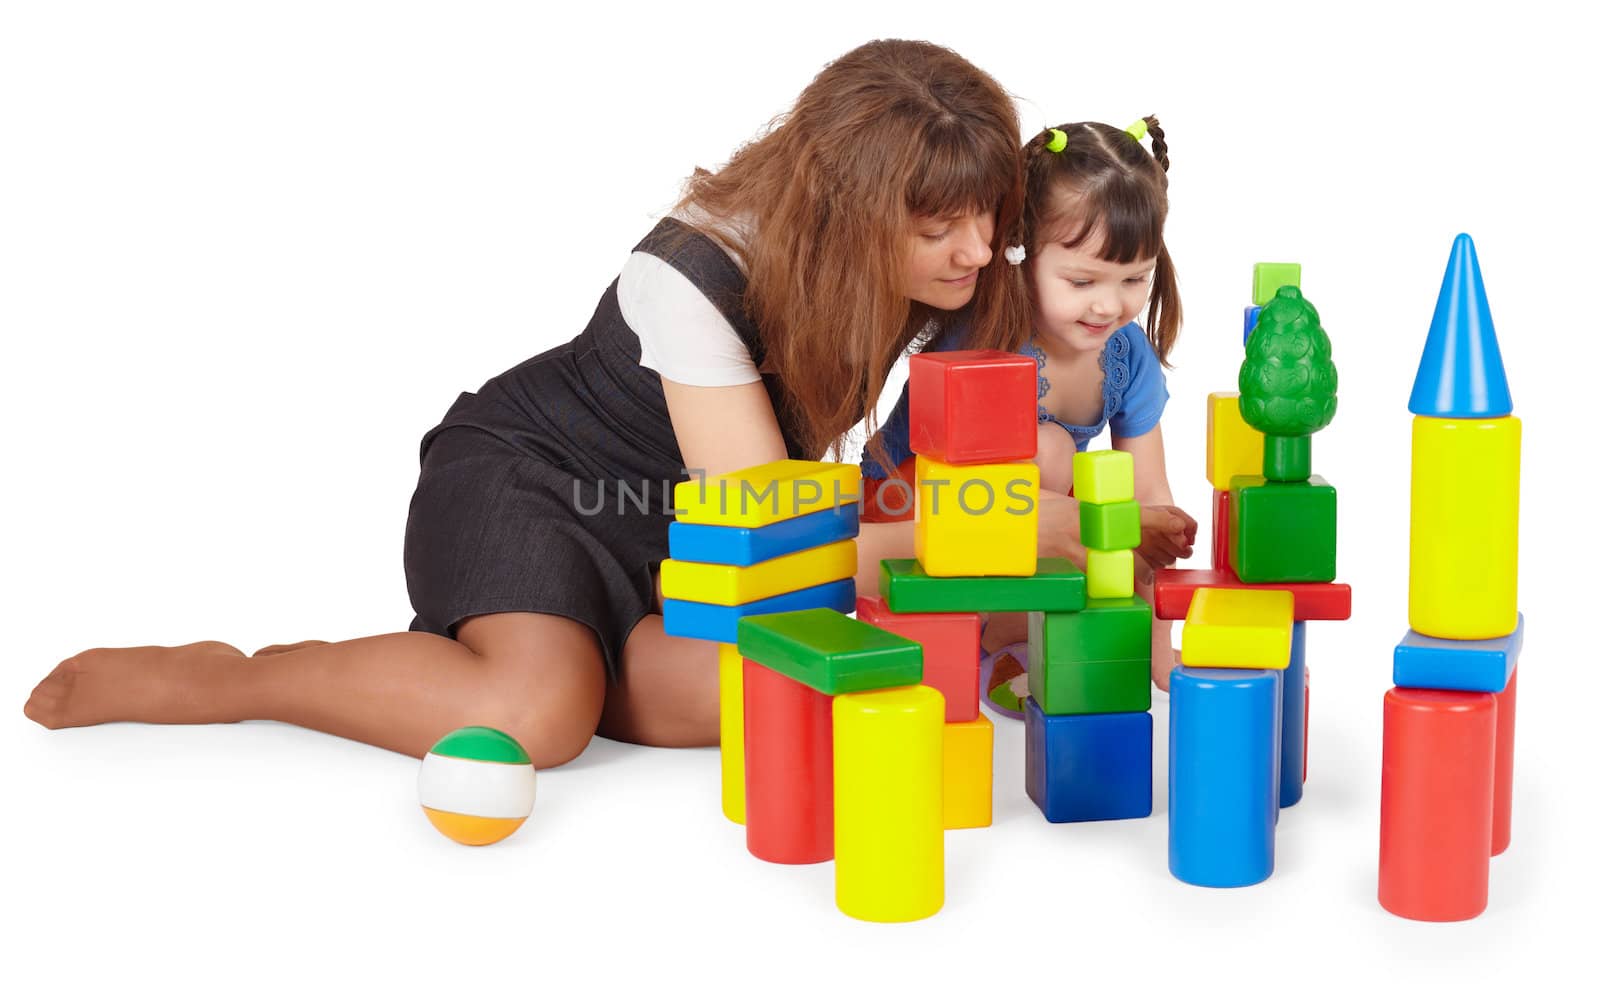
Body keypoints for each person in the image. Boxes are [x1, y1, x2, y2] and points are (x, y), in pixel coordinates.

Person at [25, 39, 1084, 767]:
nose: (978, 250)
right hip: (544, 482)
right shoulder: (692, 269)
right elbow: (783, 530)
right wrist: (1002, 535)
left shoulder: (967, 263)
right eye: (941, 224)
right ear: (849, 212)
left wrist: (1076, 526)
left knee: (785, 691)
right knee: (534, 719)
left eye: (989, 216)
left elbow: (1027, 412)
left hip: (693, 545)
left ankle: (580, 651)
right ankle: (237, 681)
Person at [861, 117, 1198, 712]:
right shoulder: (990, 342)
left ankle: (1027, 633)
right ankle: (996, 633)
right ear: (1021, 253)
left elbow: (1147, 488)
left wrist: (1159, 555)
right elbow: (966, 492)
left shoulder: (1126, 354)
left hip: (1022, 521)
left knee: (1126, 519)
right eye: (1081, 279)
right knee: (1050, 452)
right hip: (914, 504)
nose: (1108, 304)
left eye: (1133, 279)